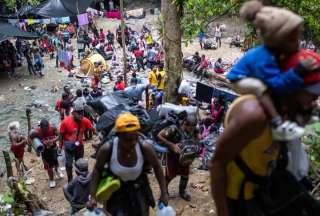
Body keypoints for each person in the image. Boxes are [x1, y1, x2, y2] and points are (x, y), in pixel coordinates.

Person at [210, 55, 320, 216]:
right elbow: (217, 164)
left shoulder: (286, 111)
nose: (316, 101)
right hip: (240, 200)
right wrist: (223, 211)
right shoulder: (253, 115)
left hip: (263, 188)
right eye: (312, 94)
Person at [227, 0, 319, 141]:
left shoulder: (277, 54)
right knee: (261, 87)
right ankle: (277, 123)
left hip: (260, 75)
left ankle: (301, 113)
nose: (297, 45)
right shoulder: (264, 58)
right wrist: (298, 71)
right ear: (277, 41)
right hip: (239, 79)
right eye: (293, 41)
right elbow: (277, 84)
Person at [88, 113, 168, 215]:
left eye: (136, 138)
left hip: (139, 189)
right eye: (128, 140)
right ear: (118, 136)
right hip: (116, 191)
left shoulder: (145, 148)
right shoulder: (107, 149)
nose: (133, 143)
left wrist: (164, 193)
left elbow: (157, 168)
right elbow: (97, 170)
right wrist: (92, 196)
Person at [60, 100, 94, 182]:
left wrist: (100, 136)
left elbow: (92, 129)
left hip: (79, 146)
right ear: (73, 112)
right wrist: (60, 146)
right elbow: (61, 135)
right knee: (68, 164)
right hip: (68, 147)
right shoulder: (65, 122)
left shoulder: (85, 121)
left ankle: (80, 179)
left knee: (80, 164)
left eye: (82, 112)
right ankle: (70, 180)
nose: (81, 115)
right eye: (79, 113)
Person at [29, 119, 63, 188]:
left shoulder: (53, 128)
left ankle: (57, 171)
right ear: (40, 127)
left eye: (47, 128)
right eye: (44, 129)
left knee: (56, 162)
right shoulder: (36, 132)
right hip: (44, 152)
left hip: (53, 149)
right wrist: (35, 149)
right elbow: (29, 138)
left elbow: (60, 136)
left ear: (49, 126)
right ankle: (51, 180)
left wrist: (52, 140)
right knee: (49, 167)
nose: (46, 130)